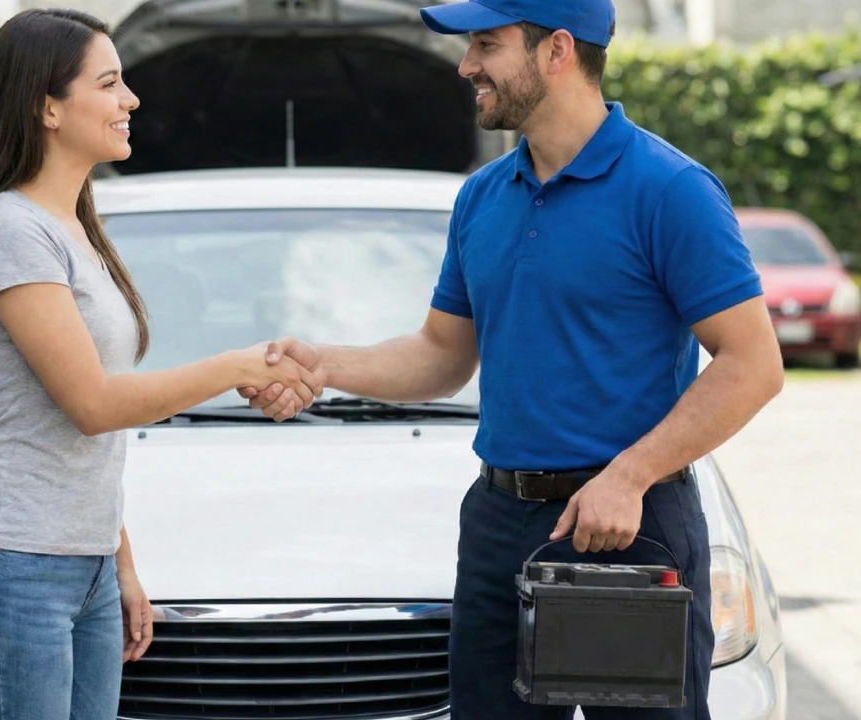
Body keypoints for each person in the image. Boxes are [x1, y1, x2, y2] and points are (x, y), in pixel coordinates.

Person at [239, 0, 785, 717]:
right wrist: (324, 364)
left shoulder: (670, 191)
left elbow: (753, 365)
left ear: (557, 51)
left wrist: (629, 477)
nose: (467, 66)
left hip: (630, 526)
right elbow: (441, 356)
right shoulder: (481, 198)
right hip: (501, 523)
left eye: (486, 45)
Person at [0, 9, 320, 720]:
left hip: (82, 569)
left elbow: (83, 440)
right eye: (109, 84)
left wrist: (118, 563)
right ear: (47, 106)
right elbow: (96, 404)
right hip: (8, 570)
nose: (130, 100)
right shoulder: (12, 230)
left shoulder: (75, 227)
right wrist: (234, 366)